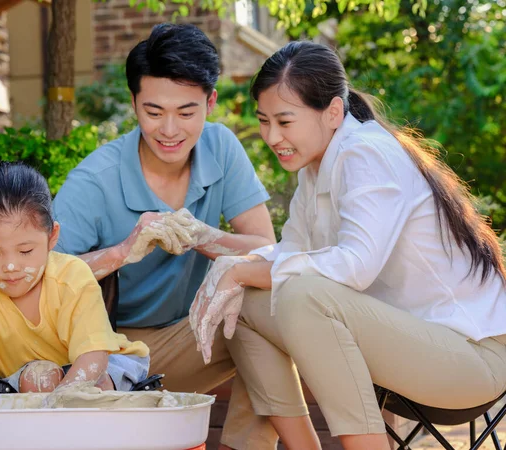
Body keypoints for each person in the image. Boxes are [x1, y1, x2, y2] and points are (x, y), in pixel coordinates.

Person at [190, 40, 506, 450]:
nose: (271, 136)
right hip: (405, 349)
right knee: (247, 303)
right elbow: (291, 253)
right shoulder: (315, 167)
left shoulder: (367, 154)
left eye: (284, 121)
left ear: (333, 112)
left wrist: (242, 269)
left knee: (301, 294)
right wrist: (237, 267)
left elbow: (354, 266)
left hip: (469, 361)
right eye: (264, 121)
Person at [52, 23, 285, 449]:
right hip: (107, 355)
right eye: (154, 112)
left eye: (186, 112)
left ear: (211, 102)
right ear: (134, 103)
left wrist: (201, 235)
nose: (170, 130)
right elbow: (42, 277)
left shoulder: (221, 148)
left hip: (191, 335)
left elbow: (265, 250)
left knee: (267, 304)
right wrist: (123, 251)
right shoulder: (95, 179)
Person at [0, 162, 149, 410]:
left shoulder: (73, 275)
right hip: (25, 379)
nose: (10, 266)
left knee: (95, 390)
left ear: (52, 236)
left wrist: (61, 401)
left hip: (103, 366)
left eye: (25, 251)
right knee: (39, 377)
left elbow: (94, 357)